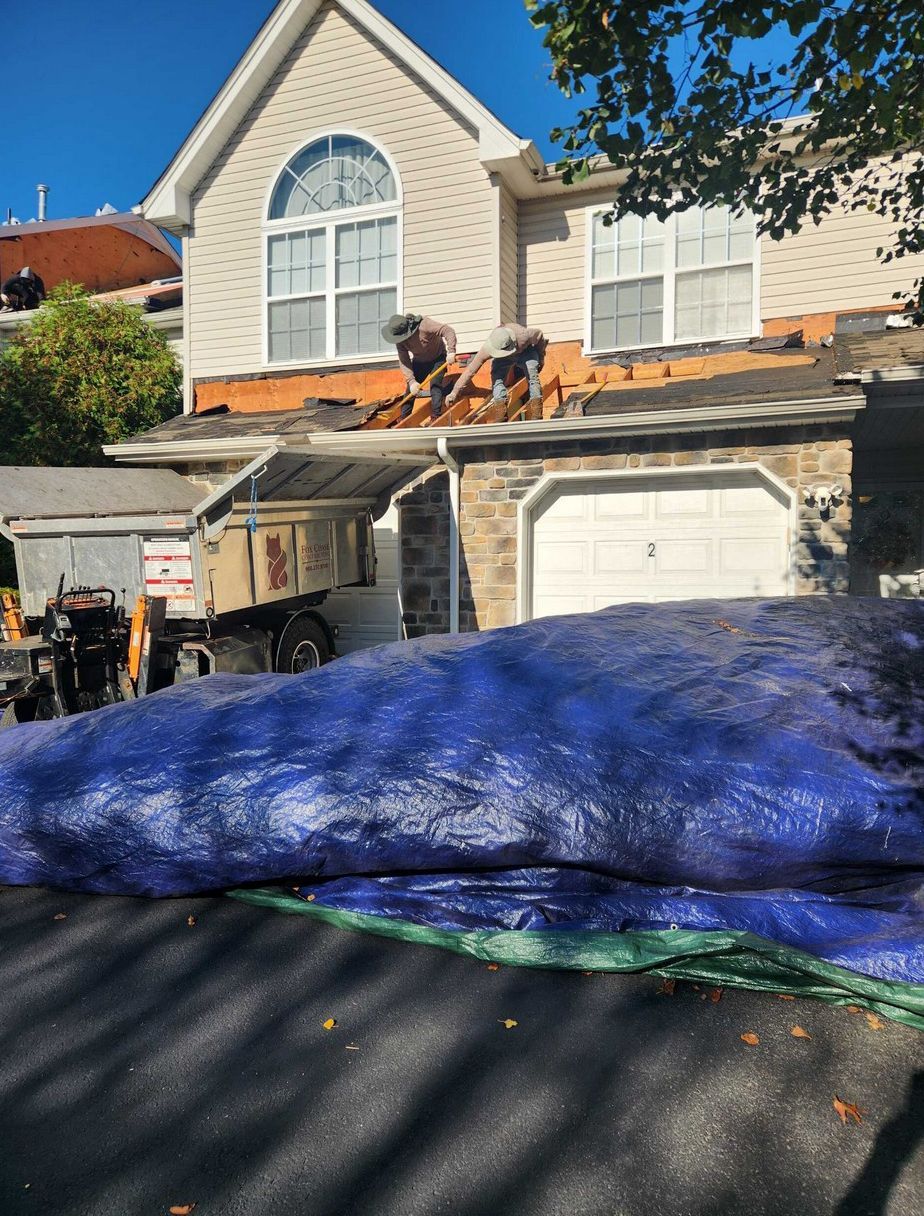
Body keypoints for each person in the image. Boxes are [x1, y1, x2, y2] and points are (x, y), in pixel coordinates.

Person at [445, 323, 547, 421]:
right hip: (502, 359)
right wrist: (454, 393)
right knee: (497, 379)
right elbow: (470, 370)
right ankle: (501, 413)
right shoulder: (487, 349)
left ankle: (536, 411)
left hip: (526, 352)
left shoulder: (523, 336)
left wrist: (541, 358)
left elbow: (540, 336)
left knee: (532, 375)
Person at [381, 313, 457, 420]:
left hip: (438, 357)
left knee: (435, 385)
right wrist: (412, 381)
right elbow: (404, 360)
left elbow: (448, 330)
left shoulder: (424, 325)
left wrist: (451, 351)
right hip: (420, 361)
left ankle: (436, 415)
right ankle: (404, 417)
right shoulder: (399, 340)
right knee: (409, 390)